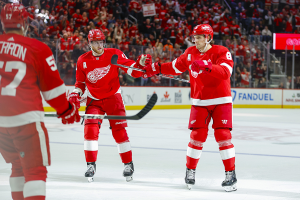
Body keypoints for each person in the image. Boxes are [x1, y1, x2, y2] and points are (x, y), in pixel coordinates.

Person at [0, 3, 80, 200]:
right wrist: (67, 110)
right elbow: (53, 92)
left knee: (17, 165)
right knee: (35, 171)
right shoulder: (37, 48)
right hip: (25, 119)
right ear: (25, 22)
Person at [143, 24, 237, 192]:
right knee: (197, 136)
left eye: (200, 37)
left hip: (221, 100)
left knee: (223, 135)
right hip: (199, 101)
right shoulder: (190, 53)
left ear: (208, 38)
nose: (196, 40)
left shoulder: (221, 51)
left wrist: (205, 66)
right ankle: (190, 171)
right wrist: (155, 69)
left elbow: (226, 72)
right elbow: (174, 67)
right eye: (195, 37)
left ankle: (230, 174)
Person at [68, 29, 152, 182]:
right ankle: (90, 165)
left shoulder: (114, 54)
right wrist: (76, 93)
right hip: (94, 100)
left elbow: (132, 70)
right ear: (90, 43)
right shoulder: (82, 60)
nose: (99, 44)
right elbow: (80, 84)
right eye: (95, 42)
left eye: (101, 41)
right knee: (90, 130)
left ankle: (128, 164)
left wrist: (139, 64)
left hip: (114, 98)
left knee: (119, 132)